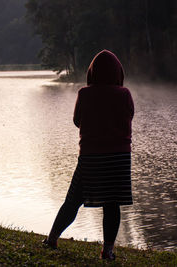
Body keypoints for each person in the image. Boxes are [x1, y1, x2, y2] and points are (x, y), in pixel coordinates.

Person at [42, 50, 134, 260]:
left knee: (73, 200)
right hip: (118, 159)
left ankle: (52, 238)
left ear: (92, 73)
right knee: (112, 205)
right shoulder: (125, 94)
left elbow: (77, 121)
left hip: (91, 157)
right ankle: (108, 251)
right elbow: (129, 116)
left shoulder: (84, 94)